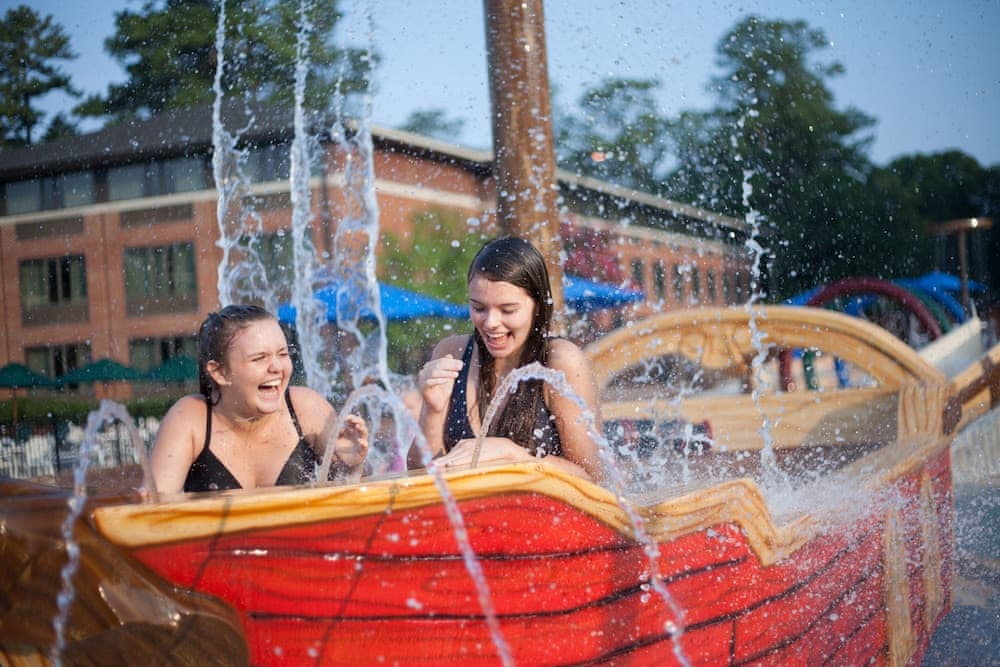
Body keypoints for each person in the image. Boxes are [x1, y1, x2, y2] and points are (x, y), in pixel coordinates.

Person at [414, 236, 603, 481]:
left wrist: (514, 456)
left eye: (508, 310)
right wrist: (433, 411)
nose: (490, 323)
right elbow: (419, 474)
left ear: (537, 305)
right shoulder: (453, 353)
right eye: (479, 308)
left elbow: (592, 478)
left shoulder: (560, 362)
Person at [151, 304, 368, 494]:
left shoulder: (306, 408)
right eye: (259, 358)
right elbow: (153, 509)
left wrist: (350, 467)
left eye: (283, 354)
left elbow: (349, 503)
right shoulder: (191, 418)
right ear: (219, 372)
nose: (277, 367)